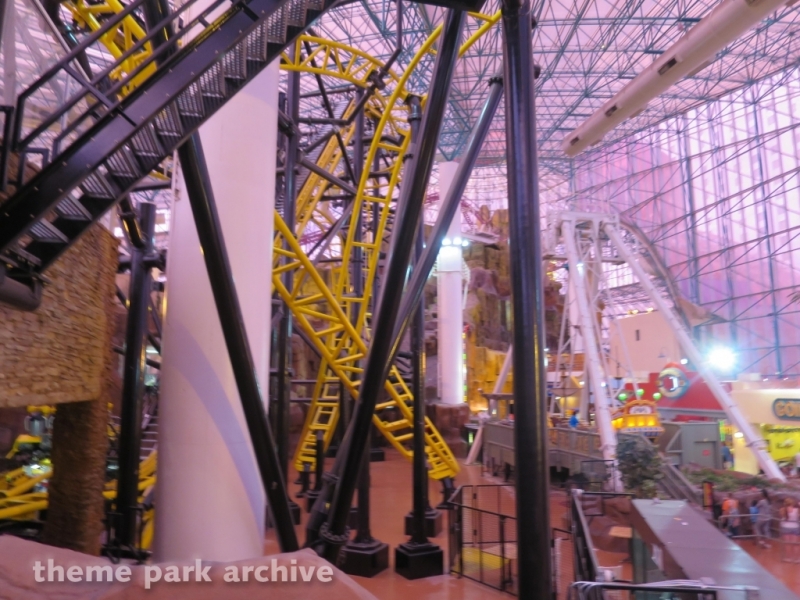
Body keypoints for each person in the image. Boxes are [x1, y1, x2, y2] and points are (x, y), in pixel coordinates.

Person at [780, 497, 800, 562]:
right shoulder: (797, 510)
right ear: (792, 503)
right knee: (796, 544)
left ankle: (789, 558)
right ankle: (797, 558)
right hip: (795, 527)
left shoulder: (782, 510)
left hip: (785, 528)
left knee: (787, 544)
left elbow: (782, 517)